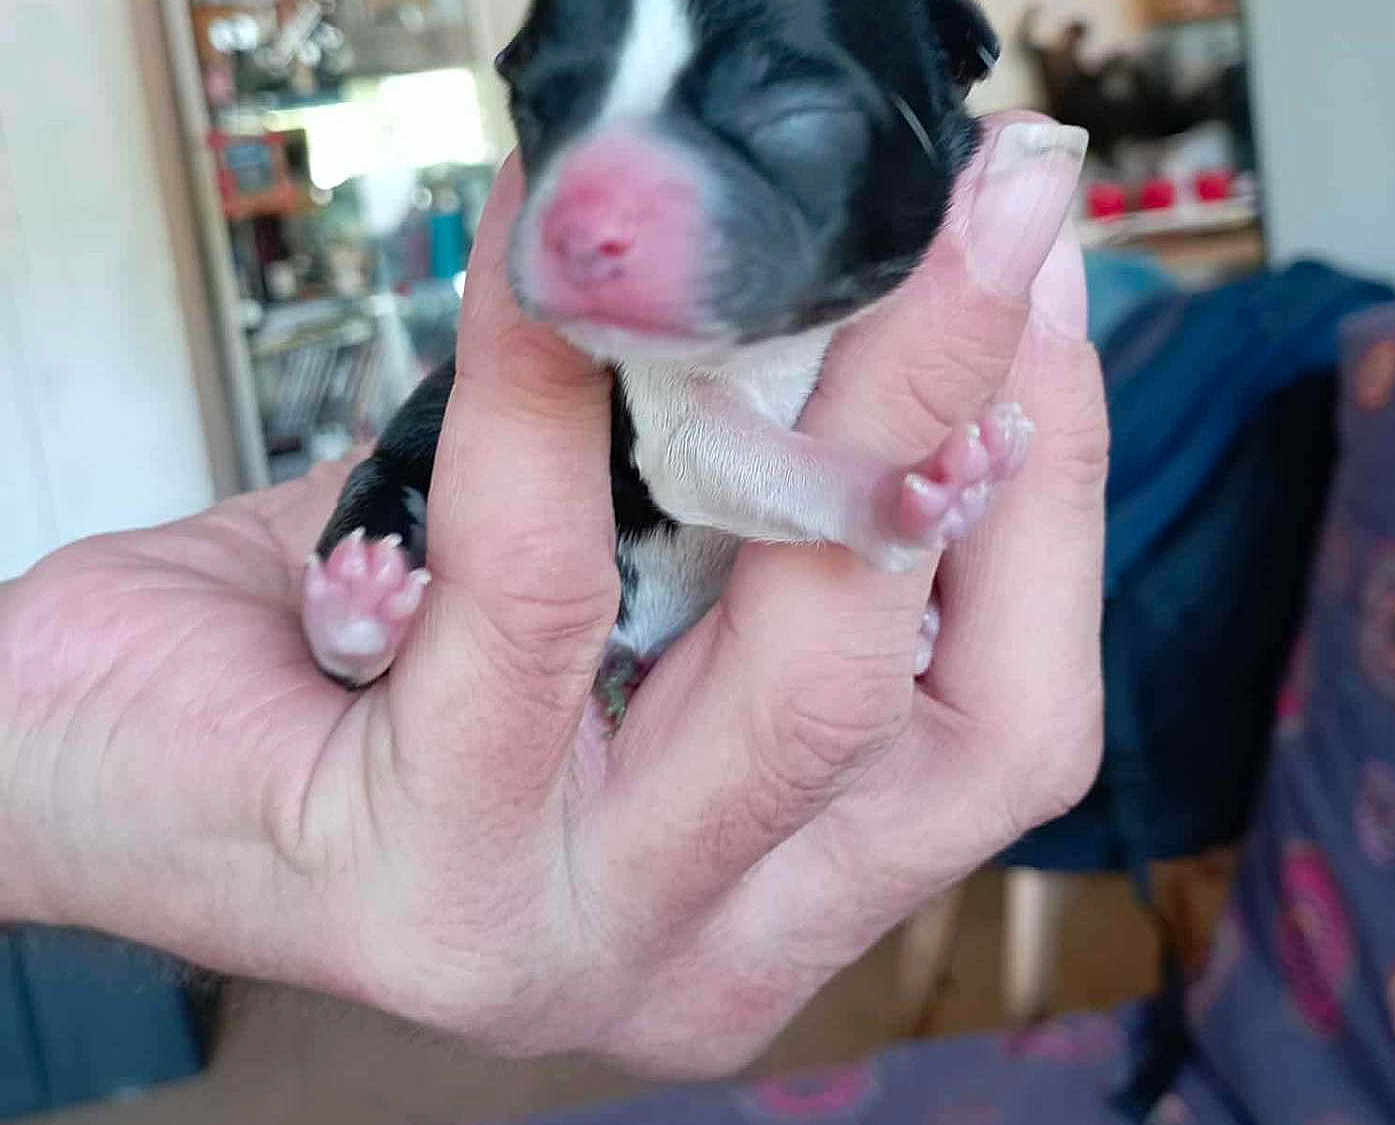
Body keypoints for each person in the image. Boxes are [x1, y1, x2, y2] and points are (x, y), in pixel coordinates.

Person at [0, 113, 1106, 1076]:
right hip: (567, 553)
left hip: (659, 590)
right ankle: (357, 628)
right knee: (420, 541)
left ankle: (374, 623)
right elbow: (675, 460)